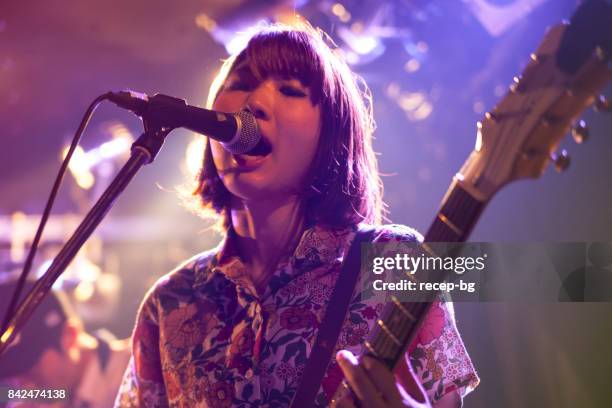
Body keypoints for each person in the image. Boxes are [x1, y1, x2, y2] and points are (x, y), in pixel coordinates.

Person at [116, 22, 479, 407]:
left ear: (332, 134)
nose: (253, 103)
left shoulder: (393, 262)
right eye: (239, 83)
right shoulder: (170, 301)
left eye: (290, 90)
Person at [0, 279, 131, 408]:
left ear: (70, 335)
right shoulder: (51, 393)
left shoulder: (138, 368)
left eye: (30, 367)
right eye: (11, 373)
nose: (22, 385)